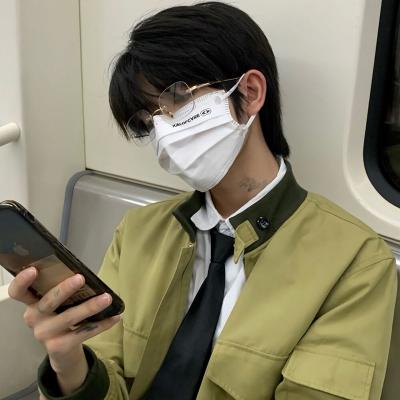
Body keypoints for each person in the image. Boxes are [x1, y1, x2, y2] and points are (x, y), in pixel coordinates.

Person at [8, 2, 397, 399]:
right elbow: (113, 380)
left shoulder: (354, 262)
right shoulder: (138, 232)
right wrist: (70, 362)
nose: (163, 131)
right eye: (148, 120)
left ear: (249, 92)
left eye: (177, 97)